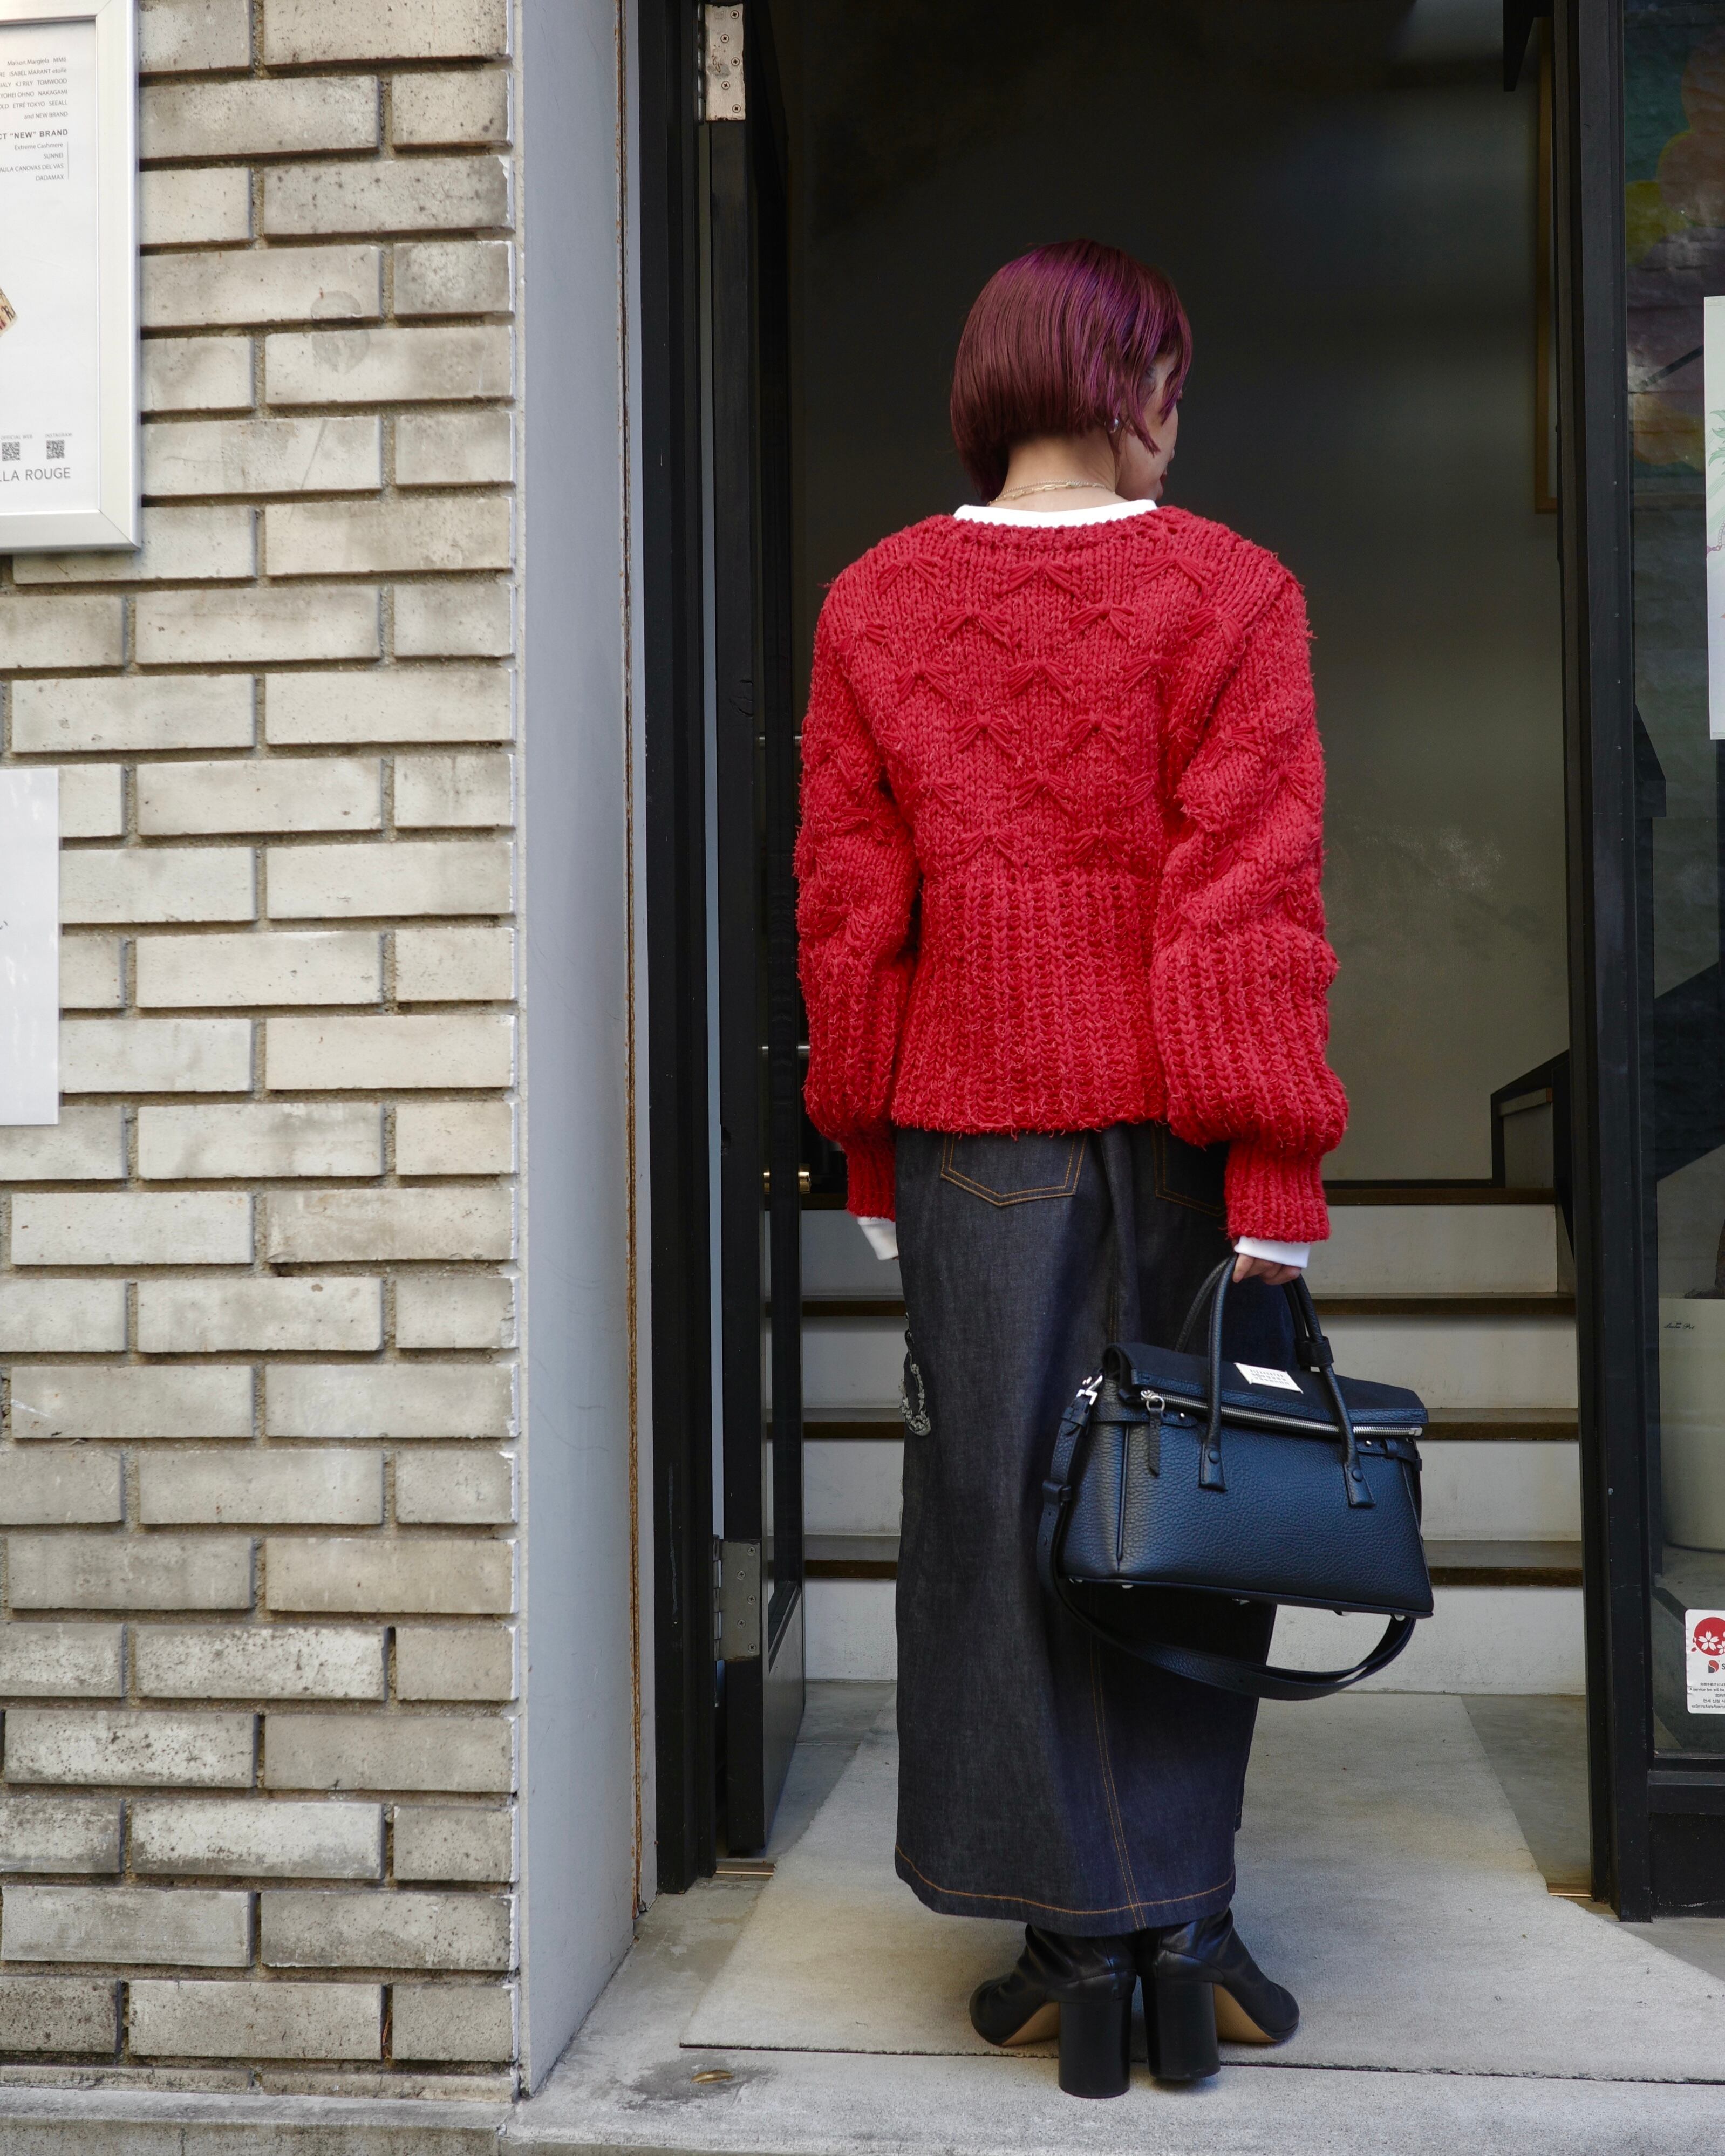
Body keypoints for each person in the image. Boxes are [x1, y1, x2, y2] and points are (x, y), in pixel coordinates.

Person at [794, 239, 1347, 2097]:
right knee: (1188, 1513)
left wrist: (867, 1134)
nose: (1180, 413)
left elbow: (849, 909)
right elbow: (1252, 899)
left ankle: (1072, 1946)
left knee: (1003, 1527)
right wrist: (1274, 1173)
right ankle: (1179, 1932)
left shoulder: (874, 601)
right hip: (1180, 1148)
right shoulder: (1236, 591)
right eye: (1168, 377)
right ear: (1121, 383)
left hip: (973, 1153)